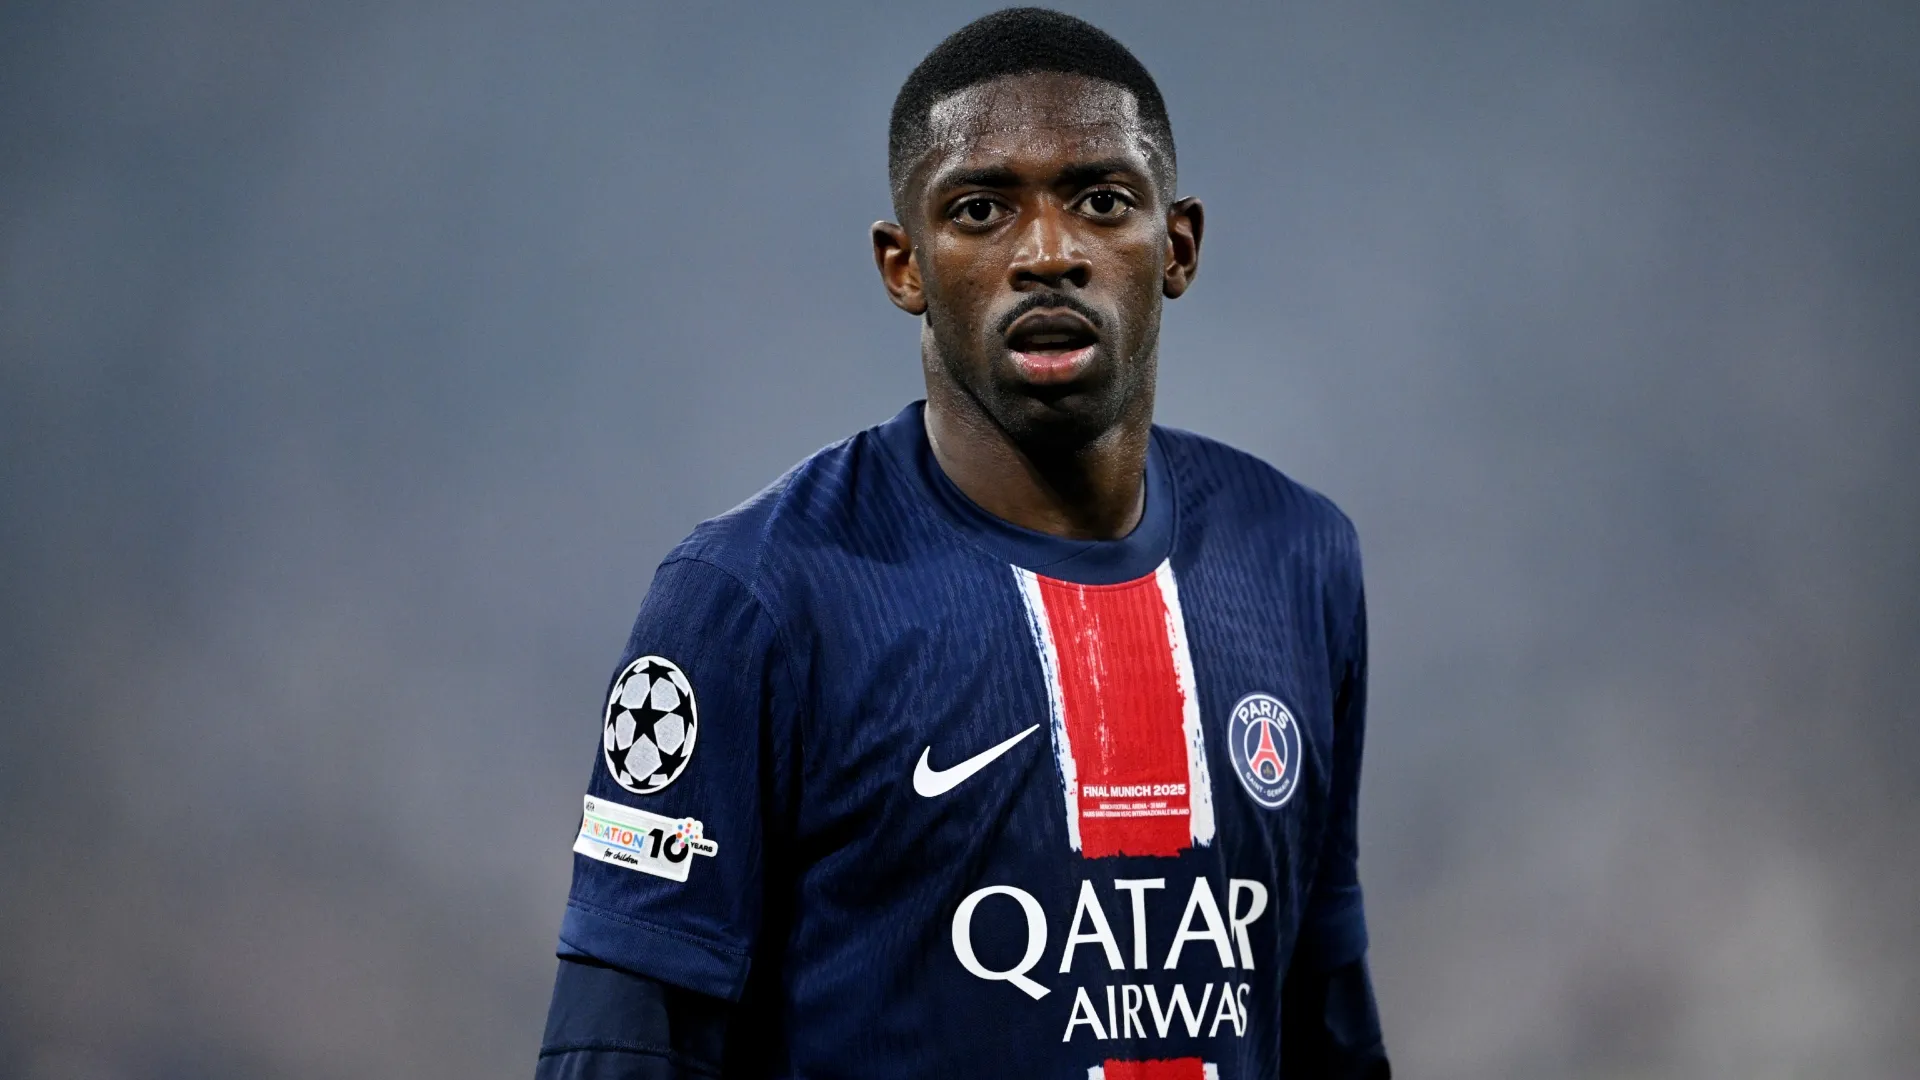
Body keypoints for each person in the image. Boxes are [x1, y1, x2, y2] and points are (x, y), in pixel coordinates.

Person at [536, 8, 1389, 1078]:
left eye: (1102, 201)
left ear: (1177, 246)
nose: (1047, 254)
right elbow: (621, 1050)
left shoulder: (1300, 558)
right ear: (905, 267)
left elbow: (1324, 1027)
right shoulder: (750, 600)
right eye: (982, 209)